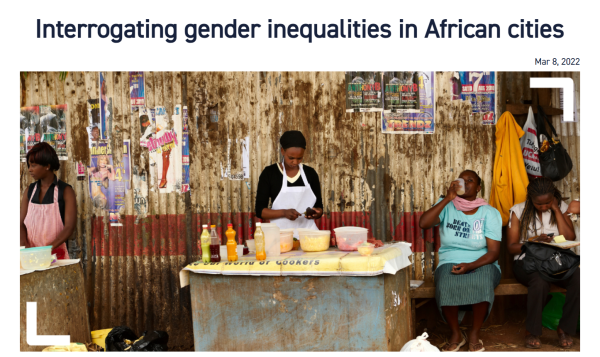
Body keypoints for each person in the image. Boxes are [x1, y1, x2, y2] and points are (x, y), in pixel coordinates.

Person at [419, 170, 502, 352]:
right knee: (446, 281)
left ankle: (474, 333)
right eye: (461, 180)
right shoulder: (447, 206)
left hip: (482, 261)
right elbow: (424, 223)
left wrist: (470, 265)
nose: (464, 183)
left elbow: (494, 252)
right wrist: (448, 198)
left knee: (482, 280)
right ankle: (455, 333)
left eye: (470, 180)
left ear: (478, 188)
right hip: (451, 259)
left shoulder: (489, 213)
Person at [506, 177, 578, 349]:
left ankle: (565, 329)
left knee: (580, 278)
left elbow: (570, 237)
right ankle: (532, 332)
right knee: (539, 282)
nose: (544, 206)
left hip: (557, 262)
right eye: (540, 204)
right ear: (531, 198)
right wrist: (533, 242)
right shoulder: (518, 211)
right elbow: (511, 247)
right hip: (529, 263)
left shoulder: (560, 207)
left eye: (548, 203)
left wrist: (556, 209)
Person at [255, 131, 323, 237]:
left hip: (309, 235)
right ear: (282, 151)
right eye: (291, 158)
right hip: (280, 236)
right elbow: (260, 211)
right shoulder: (269, 173)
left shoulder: (311, 174)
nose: (295, 162)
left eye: (299, 158)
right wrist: (284, 213)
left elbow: (319, 207)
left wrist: (317, 213)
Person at [20, 142, 76, 259]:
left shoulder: (65, 191)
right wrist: (25, 246)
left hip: (56, 255)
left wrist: (46, 250)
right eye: (29, 165)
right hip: (31, 255)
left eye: (34, 165)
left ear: (47, 166)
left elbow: (69, 228)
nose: (30, 170)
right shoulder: (29, 191)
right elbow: (20, 223)